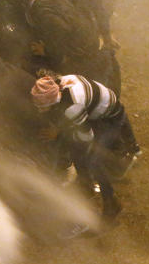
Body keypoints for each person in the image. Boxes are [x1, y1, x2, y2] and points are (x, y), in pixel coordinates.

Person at [31, 74, 140, 221]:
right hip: (101, 106)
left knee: (93, 160)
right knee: (78, 150)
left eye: (42, 107)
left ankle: (111, 203)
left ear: (51, 102)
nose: (39, 110)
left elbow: (87, 137)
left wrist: (59, 134)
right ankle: (87, 183)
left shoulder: (72, 108)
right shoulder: (59, 83)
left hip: (110, 118)